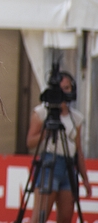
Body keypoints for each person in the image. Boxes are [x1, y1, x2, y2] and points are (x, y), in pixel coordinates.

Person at [26, 72, 91, 223]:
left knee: (66, 217)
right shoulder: (42, 113)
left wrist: (85, 179)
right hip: (49, 164)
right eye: (61, 88)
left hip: (68, 165)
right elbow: (30, 142)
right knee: (40, 216)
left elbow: (78, 150)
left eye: (67, 88)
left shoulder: (76, 118)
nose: (63, 92)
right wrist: (47, 131)